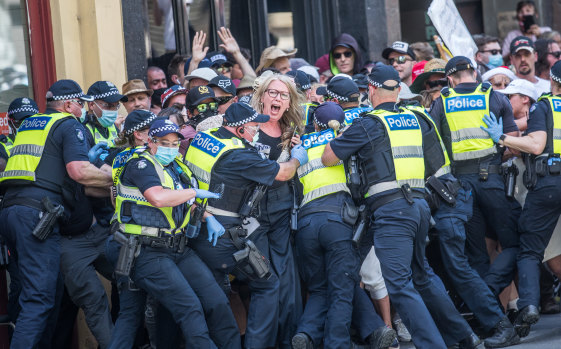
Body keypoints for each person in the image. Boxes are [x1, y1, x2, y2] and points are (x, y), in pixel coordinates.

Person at [321, 65, 482, 349]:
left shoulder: (368, 123)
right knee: (423, 276)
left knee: (399, 284)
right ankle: (464, 336)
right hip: (419, 207)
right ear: (397, 90)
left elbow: (329, 157)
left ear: (370, 90)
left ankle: (434, 345)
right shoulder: (413, 118)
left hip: (391, 211)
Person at [0, 79, 112, 349]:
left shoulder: (30, 124)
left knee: (36, 294)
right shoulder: (68, 124)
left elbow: (52, 171)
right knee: (39, 299)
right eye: (81, 104)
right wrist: (116, 179)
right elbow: (78, 172)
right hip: (37, 216)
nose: (83, 109)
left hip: (12, 212)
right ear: (69, 104)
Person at [184, 102, 307, 349]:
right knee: (267, 283)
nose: (257, 130)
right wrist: (296, 159)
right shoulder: (238, 155)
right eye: (253, 126)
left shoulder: (205, 139)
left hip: (197, 223)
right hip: (223, 234)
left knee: (216, 298)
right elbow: (282, 174)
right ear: (239, 129)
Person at [112, 118, 241, 348]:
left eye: (174, 144)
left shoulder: (174, 165)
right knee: (189, 308)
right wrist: (194, 190)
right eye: (164, 143)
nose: (170, 148)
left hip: (178, 249)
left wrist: (207, 216)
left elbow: (183, 200)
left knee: (216, 301)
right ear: (151, 142)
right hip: (147, 252)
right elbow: (158, 198)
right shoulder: (140, 165)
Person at [292, 101, 396, 349]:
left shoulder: (298, 145)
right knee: (341, 288)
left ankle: (305, 335)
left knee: (318, 288)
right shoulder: (344, 143)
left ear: (314, 123)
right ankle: (336, 344)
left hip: (305, 225)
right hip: (337, 221)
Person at [429, 56, 522, 302]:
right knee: (513, 243)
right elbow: (513, 144)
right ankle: (492, 290)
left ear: (449, 78)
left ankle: (487, 306)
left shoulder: (442, 102)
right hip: (492, 179)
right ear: (474, 72)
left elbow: (433, 146)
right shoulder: (494, 97)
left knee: (477, 253)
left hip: (459, 185)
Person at [479, 60, 561, 339]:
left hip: (549, 183)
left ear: (552, 81)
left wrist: (501, 137)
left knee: (529, 249)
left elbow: (536, 144)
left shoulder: (546, 106)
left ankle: (527, 308)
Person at [249, 74, 305, 347]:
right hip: (252, 215)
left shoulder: (292, 131)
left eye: (284, 95)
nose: (277, 98)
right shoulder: (248, 126)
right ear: (261, 96)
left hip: (282, 212)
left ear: (289, 102)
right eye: (273, 92)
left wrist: (299, 151)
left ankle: (289, 341)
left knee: (287, 281)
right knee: (265, 280)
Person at [84, 81, 128, 147]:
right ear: (92, 105)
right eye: (108, 105)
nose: (113, 110)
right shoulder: (82, 128)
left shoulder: (113, 126)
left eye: (116, 106)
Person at [0, 97, 39, 170]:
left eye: (31, 122)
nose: (26, 126)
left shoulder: (46, 143)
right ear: (10, 122)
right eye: (20, 122)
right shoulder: (2, 147)